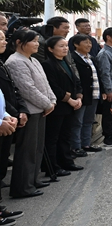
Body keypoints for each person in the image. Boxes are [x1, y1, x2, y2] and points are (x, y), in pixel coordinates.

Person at [5, 29, 55, 198]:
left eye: (37, 40)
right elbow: (27, 89)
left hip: (41, 109)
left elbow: (45, 84)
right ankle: (23, 186)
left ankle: (33, 180)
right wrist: (47, 103)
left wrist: (52, 101)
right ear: (19, 42)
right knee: (27, 150)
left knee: (37, 148)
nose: (37, 44)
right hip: (30, 110)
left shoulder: (33, 60)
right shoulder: (15, 62)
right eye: (33, 41)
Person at [40, 36, 84, 177]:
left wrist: (78, 97)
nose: (65, 48)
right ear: (50, 49)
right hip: (57, 106)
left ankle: (66, 162)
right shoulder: (47, 64)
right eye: (61, 46)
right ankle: (53, 167)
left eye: (66, 46)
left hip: (70, 106)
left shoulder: (66, 62)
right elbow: (52, 86)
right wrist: (69, 99)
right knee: (53, 138)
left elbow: (76, 82)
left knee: (65, 135)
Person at [0, 30, 29, 188]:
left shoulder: (2, 63)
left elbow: (11, 90)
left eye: (4, 38)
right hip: (4, 120)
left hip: (7, 118)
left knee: (3, 155)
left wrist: (8, 115)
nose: (5, 42)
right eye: (1, 39)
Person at [69, 34, 103, 155]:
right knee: (77, 122)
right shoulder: (73, 58)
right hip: (82, 95)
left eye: (90, 43)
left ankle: (86, 143)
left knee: (89, 120)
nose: (89, 45)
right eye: (85, 42)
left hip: (94, 93)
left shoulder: (91, 58)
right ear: (76, 44)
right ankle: (76, 146)